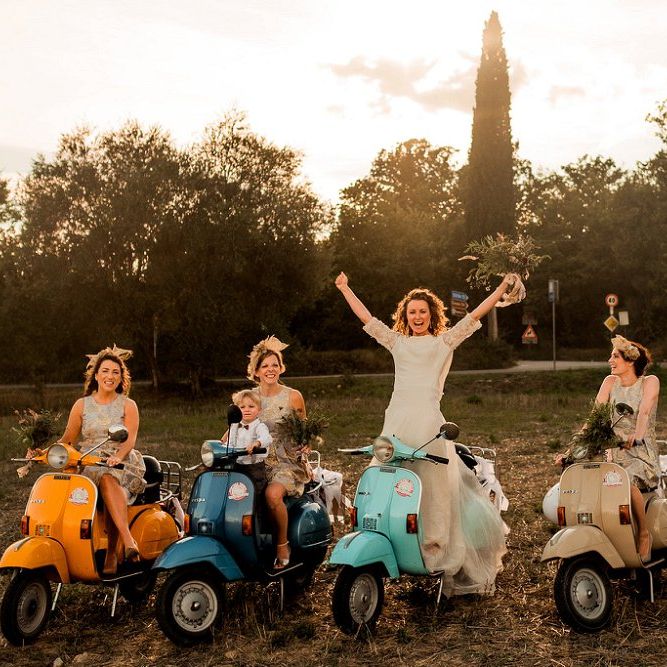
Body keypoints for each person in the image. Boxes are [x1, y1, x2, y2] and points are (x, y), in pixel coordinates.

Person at [335, 271, 521, 595]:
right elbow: (367, 318)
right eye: (412, 312)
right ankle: (390, 543)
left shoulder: (442, 342)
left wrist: (502, 287)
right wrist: (344, 288)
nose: (418, 316)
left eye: (423, 311)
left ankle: (433, 551)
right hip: (396, 426)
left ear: (431, 314)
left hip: (428, 426)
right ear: (405, 316)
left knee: (433, 493)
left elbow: (476, 314)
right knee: (389, 486)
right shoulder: (397, 342)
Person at [53, 346, 146, 574]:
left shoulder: (128, 405)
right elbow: (67, 439)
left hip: (120, 461)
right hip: (88, 460)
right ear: (96, 375)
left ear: (121, 378)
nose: (110, 376)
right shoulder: (81, 405)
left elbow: (130, 439)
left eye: (115, 372)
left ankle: (121, 546)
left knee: (107, 478)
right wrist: (42, 451)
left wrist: (117, 456)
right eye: (105, 371)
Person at [594, 335, 659, 562]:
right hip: (613, 451)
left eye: (615, 356)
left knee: (624, 480)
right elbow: (595, 418)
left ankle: (643, 532)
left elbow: (645, 411)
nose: (610, 360)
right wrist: (573, 449)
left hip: (640, 452)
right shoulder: (609, 382)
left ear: (630, 361)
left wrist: (637, 436)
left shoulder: (650, 382)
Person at [247, 336, 310, 569]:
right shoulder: (250, 397)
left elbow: (304, 431)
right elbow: (237, 427)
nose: (270, 369)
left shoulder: (293, 396)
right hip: (256, 461)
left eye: (275, 364)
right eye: (265, 366)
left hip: (286, 461)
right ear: (256, 371)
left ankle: (282, 544)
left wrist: (306, 447)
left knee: (273, 495)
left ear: (281, 368)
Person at [221, 388, 273, 495]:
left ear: (259, 410)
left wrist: (257, 443)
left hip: (254, 468)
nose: (246, 410)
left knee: (254, 493)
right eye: (242, 407)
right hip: (236, 466)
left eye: (251, 406)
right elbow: (230, 443)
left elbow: (267, 438)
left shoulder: (260, 426)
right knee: (232, 492)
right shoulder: (234, 426)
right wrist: (223, 449)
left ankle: (258, 505)